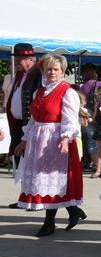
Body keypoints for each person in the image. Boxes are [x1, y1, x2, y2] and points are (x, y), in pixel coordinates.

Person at [14, 53, 85, 236]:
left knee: (52, 181)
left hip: (55, 139)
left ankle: (49, 222)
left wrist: (65, 138)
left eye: (56, 69)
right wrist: (24, 141)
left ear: (62, 71)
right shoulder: (40, 92)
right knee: (42, 180)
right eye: (49, 69)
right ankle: (73, 210)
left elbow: (71, 120)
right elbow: (33, 120)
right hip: (39, 138)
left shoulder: (67, 92)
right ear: (43, 71)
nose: (52, 72)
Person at [6, 43, 43, 173]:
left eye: (19, 58)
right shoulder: (20, 74)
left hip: (29, 124)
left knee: (28, 163)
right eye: (16, 57)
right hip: (18, 125)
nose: (16, 61)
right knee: (19, 159)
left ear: (31, 59)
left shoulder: (38, 74)